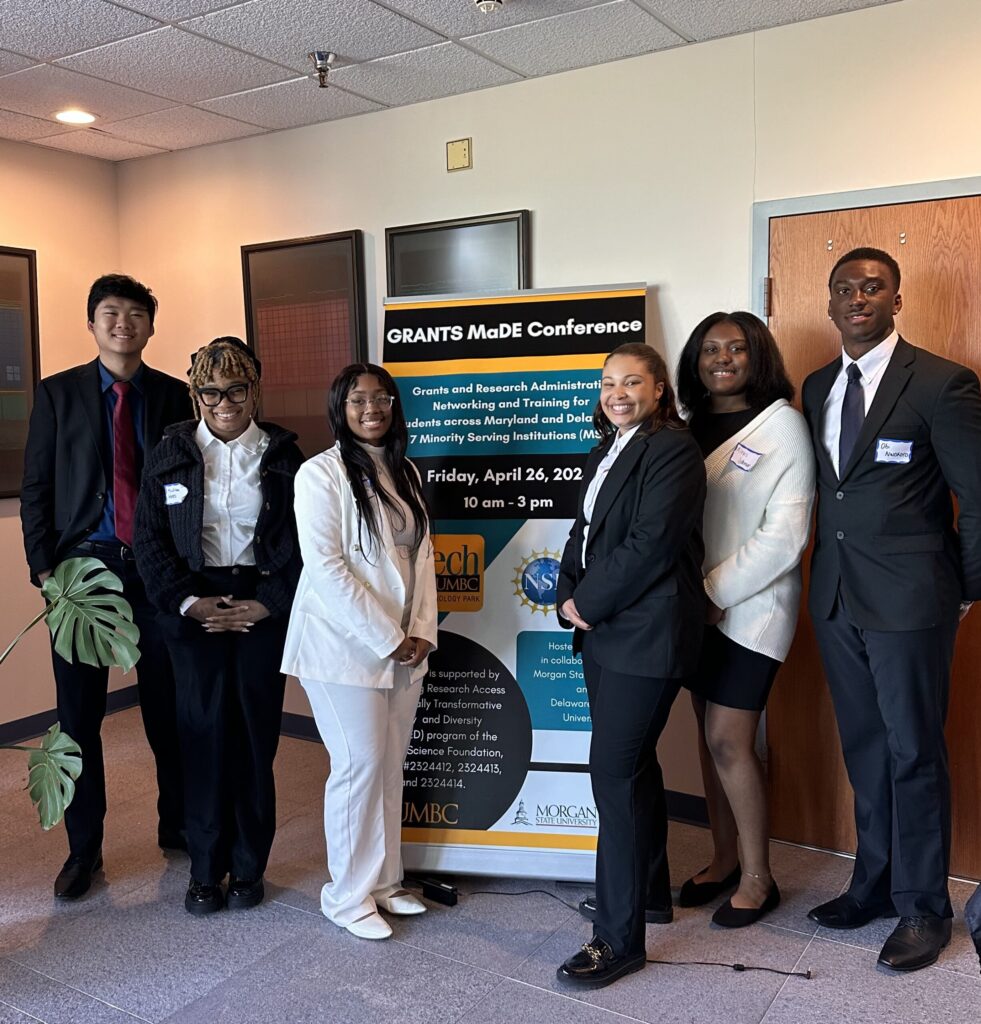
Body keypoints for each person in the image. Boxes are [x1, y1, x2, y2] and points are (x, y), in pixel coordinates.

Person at [802, 247, 981, 972]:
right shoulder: (815, 386)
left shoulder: (942, 383)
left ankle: (923, 907)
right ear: (830, 302)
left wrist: (964, 588)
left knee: (912, 752)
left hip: (912, 600)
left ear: (895, 299)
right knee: (865, 749)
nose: (856, 298)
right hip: (837, 596)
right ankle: (871, 884)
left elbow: (977, 497)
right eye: (844, 288)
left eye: (871, 287)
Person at [20, 274, 189, 900]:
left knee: (168, 711)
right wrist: (45, 569)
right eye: (110, 313)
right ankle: (83, 850)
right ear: (92, 324)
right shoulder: (58, 394)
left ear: (151, 324)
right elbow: (36, 488)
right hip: (80, 578)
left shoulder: (175, 397)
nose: (124, 323)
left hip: (157, 574)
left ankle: (177, 825)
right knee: (78, 719)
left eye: (136, 313)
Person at [134, 337, 303, 915]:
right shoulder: (171, 452)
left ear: (254, 389)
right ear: (195, 394)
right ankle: (204, 872)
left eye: (235, 390)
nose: (224, 402)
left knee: (255, 741)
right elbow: (148, 539)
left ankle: (250, 867)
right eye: (211, 392)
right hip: (194, 609)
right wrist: (187, 603)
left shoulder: (284, 457)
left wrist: (269, 603)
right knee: (201, 739)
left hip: (260, 608)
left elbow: (305, 543)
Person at [555, 342, 706, 989]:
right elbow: (580, 534)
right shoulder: (603, 451)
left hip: (645, 635)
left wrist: (584, 602)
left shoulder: (671, 449)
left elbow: (650, 545)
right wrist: (566, 598)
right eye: (607, 382)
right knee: (634, 766)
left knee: (611, 774)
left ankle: (617, 940)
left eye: (631, 382)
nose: (617, 392)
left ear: (658, 389)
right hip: (606, 634)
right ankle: (645, 894)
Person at [282, 363, 437, 940]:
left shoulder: (406, 470)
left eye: (381, 398)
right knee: (359, 766)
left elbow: (422, 557)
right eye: (356, 400)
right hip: (341, 648)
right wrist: (389, 637)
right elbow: (326, 568)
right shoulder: (318, 475)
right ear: (339, 410)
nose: (371, 408)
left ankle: (384, 881)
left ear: (394, 407)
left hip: (403, 646)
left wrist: (421, 628)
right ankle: (345, 897)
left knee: (388, 764)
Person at [675, 312, 814, 926]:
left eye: (736, 348)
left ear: (759, 356)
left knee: (730, 738)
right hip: (691, 610)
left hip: (752, 610)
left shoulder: (783, 427)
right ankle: (724, 856)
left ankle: (760, 878)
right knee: (707, 736)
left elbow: (785, 537)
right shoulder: (683, 428)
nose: (722, 358)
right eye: (710, 349)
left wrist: (714, 592)